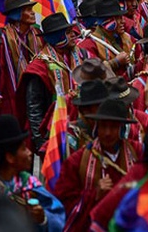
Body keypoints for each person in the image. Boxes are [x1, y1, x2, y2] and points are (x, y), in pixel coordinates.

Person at [54, 99, 142, 231]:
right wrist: (94, 194)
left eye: (113, 127)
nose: (107, 133)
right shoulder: (76, 162)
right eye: (103, 126)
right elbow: (64, 204)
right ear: (96, 128)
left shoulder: (138, 153)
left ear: (121, 129)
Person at [16, 13, 92, 152]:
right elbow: (34, 109)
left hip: (83, 128)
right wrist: (41, 142)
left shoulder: (82, 55)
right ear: (57, 37)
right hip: (53, 132)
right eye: (68, 33)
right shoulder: (39, 67)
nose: (73, 35)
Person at [0, 115, 66, 231]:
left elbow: (58, 218)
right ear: (10, 157)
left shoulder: (30, 186)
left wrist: (42, 220)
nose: (29, 153)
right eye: (23, 149)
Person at [0, 0, 43, 117]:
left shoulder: (38, 36)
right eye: (28, 9)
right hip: (9, 99)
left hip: (37, 99)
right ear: (17, 14)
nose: (33, 13)